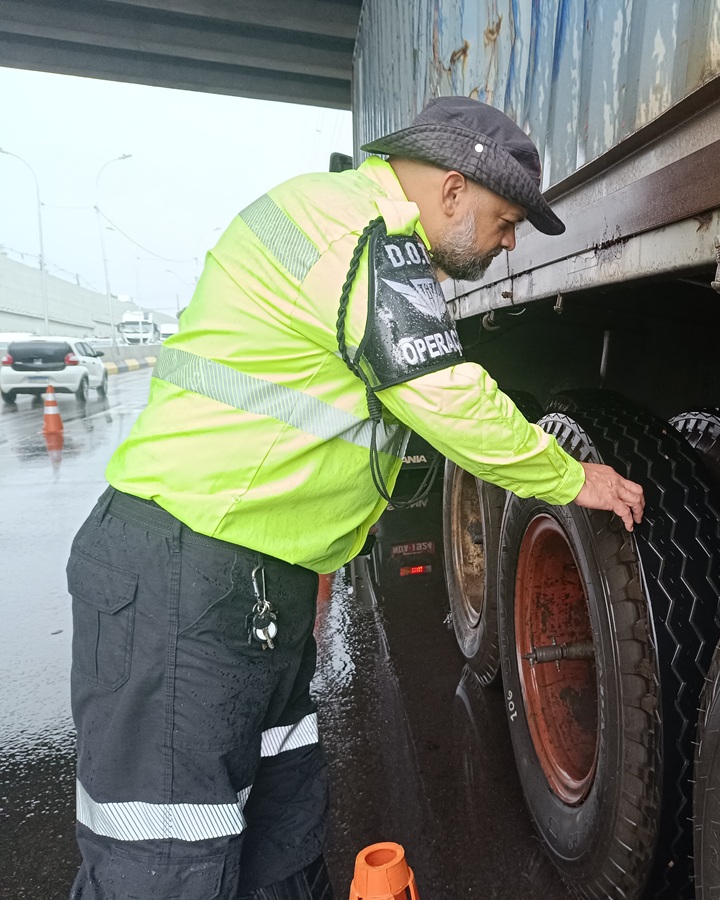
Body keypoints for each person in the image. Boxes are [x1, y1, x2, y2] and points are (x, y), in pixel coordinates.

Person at [66, 96, 645, 900]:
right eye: (505, 218)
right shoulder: (365, 236)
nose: (509, 242)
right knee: (166, 872)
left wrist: (317, 566)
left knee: (279, 843)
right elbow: (444, 395)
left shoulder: (344, 225)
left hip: (244, 585)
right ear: (451, 190)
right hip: (184, 583)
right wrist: (572, 476)